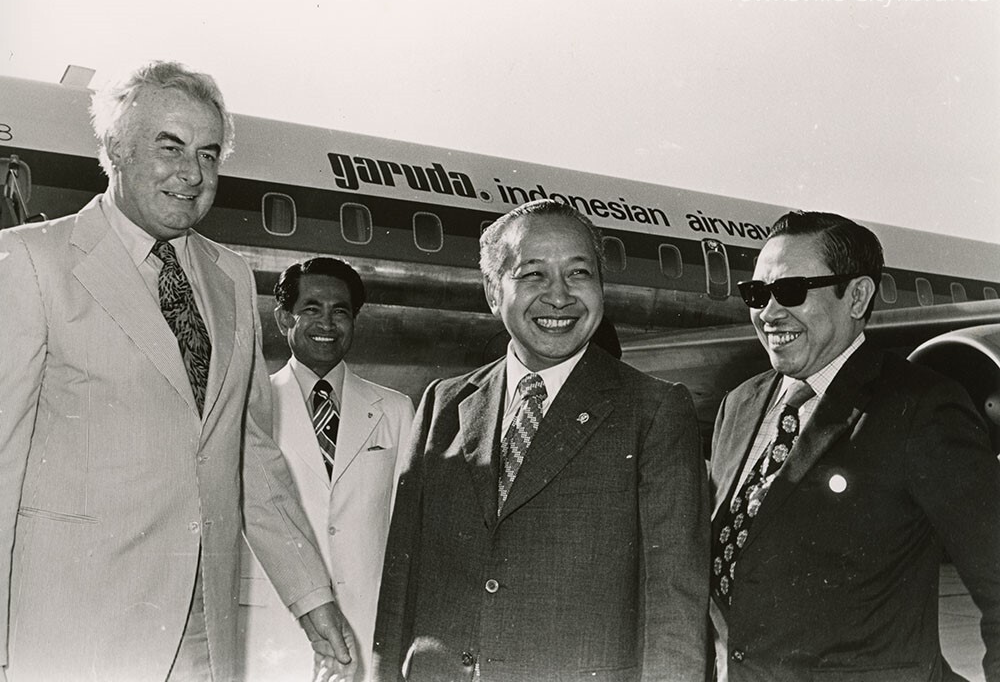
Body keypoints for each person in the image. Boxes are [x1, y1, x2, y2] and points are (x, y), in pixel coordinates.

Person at [0, 61, 354, 682]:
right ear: (114, 149)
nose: (192, 174)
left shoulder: (231, 279)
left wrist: (311, 597)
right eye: (170, 148)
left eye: (209, 154)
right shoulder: (32, 263)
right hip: (72, 634)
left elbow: (249, 454)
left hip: (201, 632)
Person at [372, 199, 709, 681]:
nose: (559, 296)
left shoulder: (653, 411)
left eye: (579, 274)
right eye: (533, 275)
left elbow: (673, 606)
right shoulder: (443, 405)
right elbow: (400, 583)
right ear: (493, 291)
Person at [709, 211, 1000, 681]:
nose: (768, 312)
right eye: (756, 294)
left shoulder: (920, 408)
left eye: (791, 291)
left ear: (858, 296)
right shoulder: (739, 406)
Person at [239, 257, 415, 682]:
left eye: (341, 311)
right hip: (273, 630)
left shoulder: (394, 409)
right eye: (311, 309)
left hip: (366, 622)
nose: (328, 323)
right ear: (284, 318)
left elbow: (407, 527)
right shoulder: (248, 405)